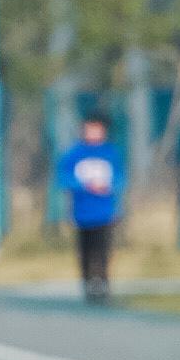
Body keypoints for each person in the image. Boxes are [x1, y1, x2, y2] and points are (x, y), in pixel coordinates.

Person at [59, 112, 125, 301]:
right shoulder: (75, 154)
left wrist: (107, 187)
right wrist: (85, 186)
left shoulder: (110, 153)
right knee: (85, 249)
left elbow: (119, 179)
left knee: (103, 249)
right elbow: (64, 178)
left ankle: (102, 281)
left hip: (104, 213)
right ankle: (88, 282)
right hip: (82, 212)